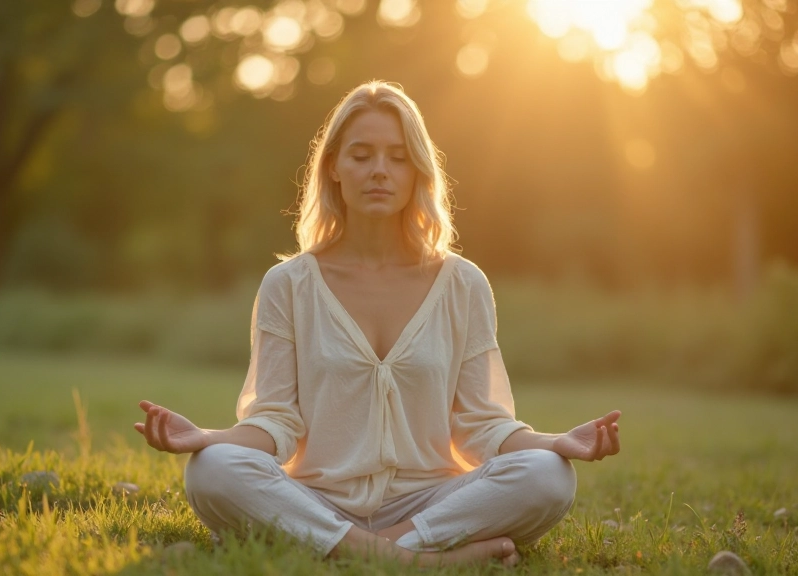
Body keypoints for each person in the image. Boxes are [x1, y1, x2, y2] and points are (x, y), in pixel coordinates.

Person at [134, 80, 621, 567]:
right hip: (318, 499)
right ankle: (415, 561)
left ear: (418, 170)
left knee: (549, 475)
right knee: (213, 469)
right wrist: (207, 438)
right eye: (362, 155)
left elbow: (482, 425)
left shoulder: (463, 284)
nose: (380, 171)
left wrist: (554, 443)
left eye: (398, 157)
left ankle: (343, 549)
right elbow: (275, 421)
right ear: (334, 167)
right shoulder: (289, 284)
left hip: (430, 502)